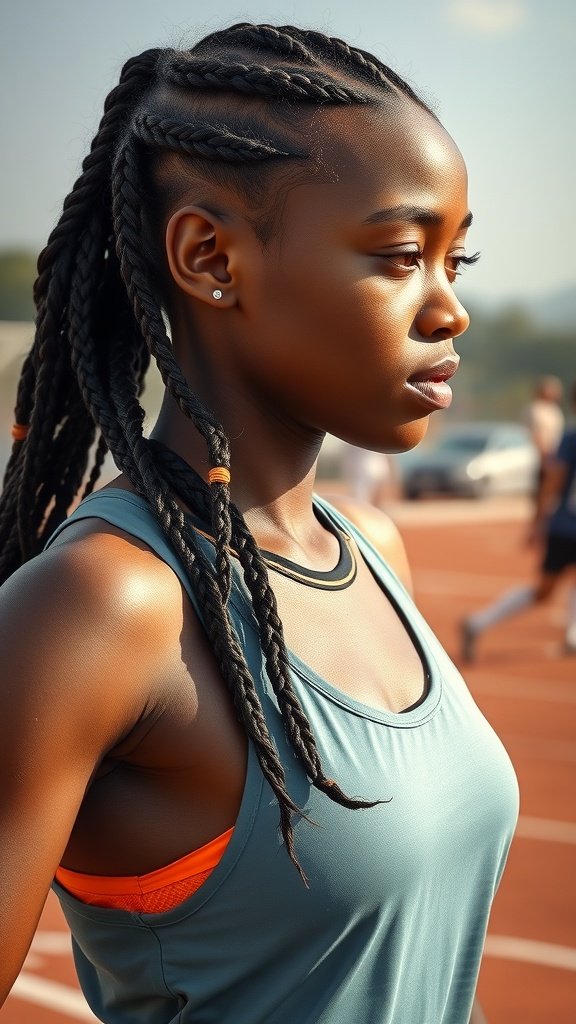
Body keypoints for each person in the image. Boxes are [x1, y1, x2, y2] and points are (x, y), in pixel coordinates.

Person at [0, 23, 517, 1024]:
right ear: (211, 258)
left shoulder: (373, 547)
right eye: (405, 253)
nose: (450, 307)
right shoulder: (104, 605)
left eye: (459, 257)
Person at [462, 380, 576, 660]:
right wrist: (539, 522)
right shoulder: (570, 439)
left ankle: (572, 635)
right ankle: (477, 623)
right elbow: (553, 481)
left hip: (565, 525)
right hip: (567, 528)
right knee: (544, 591)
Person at [525, 375, 564, 497]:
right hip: (542, 458)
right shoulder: (535, 409)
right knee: (542, 493)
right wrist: (545, 459)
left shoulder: (554, 410)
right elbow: (536, 435)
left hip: (555, 456)